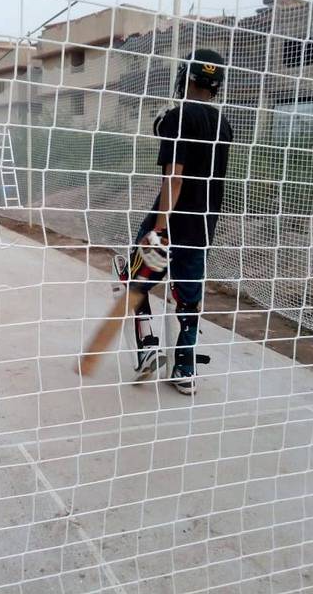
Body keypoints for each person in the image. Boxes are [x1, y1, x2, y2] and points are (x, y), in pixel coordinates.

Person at [118, 49, 233, 396]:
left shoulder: (177, 117)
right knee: (188, 297)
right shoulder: (224, 125)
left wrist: (160, 227)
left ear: (185, 77)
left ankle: (147, 346)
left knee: (132, 279)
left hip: (170, 220)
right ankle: (184, 368)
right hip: (202, 225)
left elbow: (175, 179)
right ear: (215, 86)